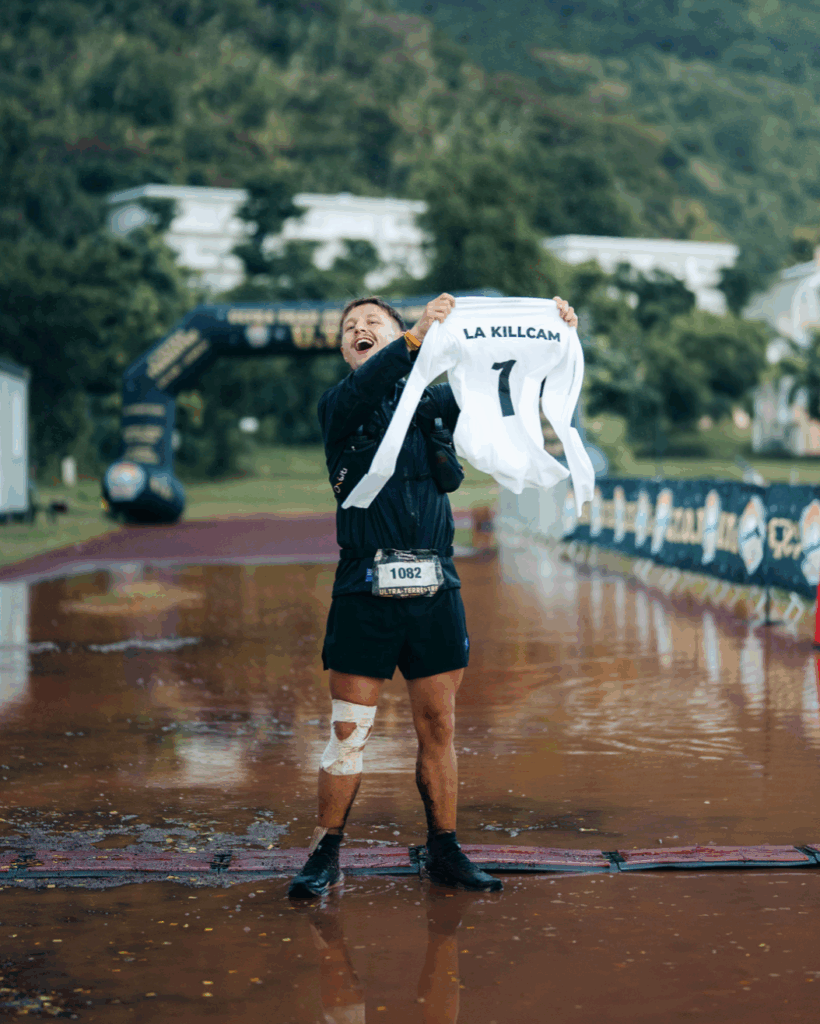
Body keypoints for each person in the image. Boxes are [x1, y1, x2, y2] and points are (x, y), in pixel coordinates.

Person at [288, 292, 578, 899]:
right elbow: (375, 385)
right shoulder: (340, 405)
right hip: (363, 587)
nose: (359, 330)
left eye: (373, 323)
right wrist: (413, 337)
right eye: (350, 327)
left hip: (435, 588)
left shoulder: (440, 404)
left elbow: (504, 383)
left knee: (439, 727)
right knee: (349, 730)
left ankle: (445, 851)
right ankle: (323, 855)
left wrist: (553, 335)